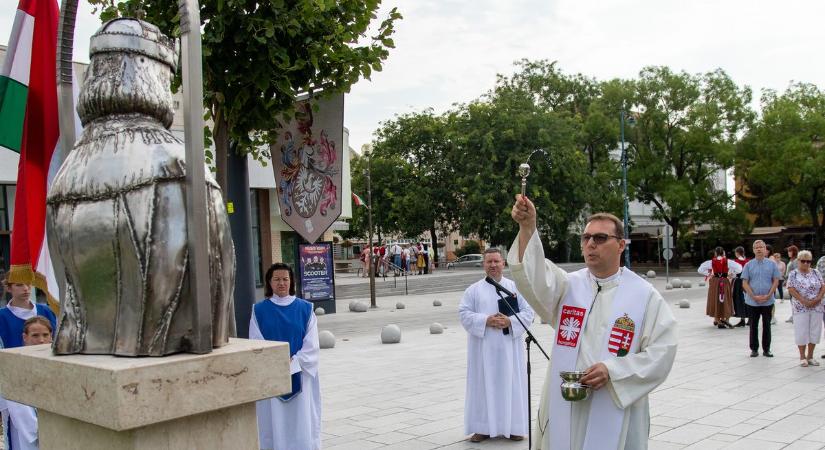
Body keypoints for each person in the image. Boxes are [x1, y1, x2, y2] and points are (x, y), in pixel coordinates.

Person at [509, 195, 677, 450]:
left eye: (600, 238)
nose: (590, 244)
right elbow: (534, 277)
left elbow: (662, 352)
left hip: (615, 402)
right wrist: (528, 227)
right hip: (569, 404)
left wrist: (613, 371)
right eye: (586, 238)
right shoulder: (568, 286)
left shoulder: (644, 296)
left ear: (621, 245)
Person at [459, 249, 535, 443]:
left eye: (496, 261)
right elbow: (464, 314)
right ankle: (482, 428)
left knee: (511, 384)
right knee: (484, 385)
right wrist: (486, 320)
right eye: (488, 262)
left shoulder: (515, 288)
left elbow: (528, 313)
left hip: (509, 349)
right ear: (483, 265)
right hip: (483, 350)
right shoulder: (473, 290)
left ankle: (515, 427)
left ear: (503, 263)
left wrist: (510, 322)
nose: (493, 265)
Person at [250, 263, 321, 450]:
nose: (281, 283)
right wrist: (277, 363)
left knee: (302, 423)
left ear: (291, 282)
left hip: (301, 377)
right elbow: (256, 344)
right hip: (271, 377)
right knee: (273, 425)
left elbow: (312, 345)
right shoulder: (258, 311)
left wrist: (294, 362)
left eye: (285, 279)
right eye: (277, 279)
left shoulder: (306, 309)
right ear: (269, 283)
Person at [1, 316, 52, 450]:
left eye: (45, 335)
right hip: (31, 435)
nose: (41, 340)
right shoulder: (14, 367)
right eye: (35, 335)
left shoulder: (57, 363)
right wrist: (42, 432)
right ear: (25, 337)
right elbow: (20, 410)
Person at [741, 240, 781, 358]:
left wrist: (769, 295)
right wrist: (753, 296)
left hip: (767, 300)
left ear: (765, 250)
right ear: (753, 250)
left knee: (767, 325)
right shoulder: (748, 265)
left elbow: (776, 280)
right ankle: (754, 349)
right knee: (753, 325)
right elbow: (745, 282)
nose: (759, 249)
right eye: (756, 247)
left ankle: (767, 349)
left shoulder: (772, 264)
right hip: (752, 301)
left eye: (761, 247)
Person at [786, 250, 824, 367]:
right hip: (800, 307)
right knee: (801, 331)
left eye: (808, 261)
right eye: (803, 261)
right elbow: (791, 288)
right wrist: (803, 301)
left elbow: (823, 286)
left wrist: (818, 298)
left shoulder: (816, 272)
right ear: (798, 261)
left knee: (815, 332)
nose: (806, 263)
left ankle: (810, 356)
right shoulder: (794, 274)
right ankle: (802, 357)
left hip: (816, 306)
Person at [0, 274, 57, 349]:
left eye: (28, 284)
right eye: (19, 285)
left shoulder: (47, 310)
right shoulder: (2, 316)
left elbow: (56, 339)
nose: (26, 288)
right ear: (8, 288)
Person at [698, 247, 741, 329]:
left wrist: (709, 274)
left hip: (715, 281)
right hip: (724, 280)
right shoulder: (728, 261)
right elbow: (739, 268)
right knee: (727, 299)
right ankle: (727, 319)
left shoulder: (711, 262)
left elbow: (700, 269)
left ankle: (718, 320)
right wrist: (732, 273)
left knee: (715, 299)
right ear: (723, 253)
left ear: (715, 253)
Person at [731, 246, 750, 327]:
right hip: (748, 282)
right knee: (748, 299)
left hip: (739, 282)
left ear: (737, 253)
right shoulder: (748, 261)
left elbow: (733, 273)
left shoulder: (736, 261)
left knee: (740, 300)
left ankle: (742, 319)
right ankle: (750, 318)